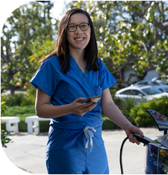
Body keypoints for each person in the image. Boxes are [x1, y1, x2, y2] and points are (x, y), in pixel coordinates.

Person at [30, 8, 144, 174]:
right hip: (65, 147)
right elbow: (40, 109)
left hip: (95, 146)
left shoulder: (98, 66)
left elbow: (108, 104)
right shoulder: (51, 65)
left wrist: (128, 126)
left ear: (90, 30)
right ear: (64, 31)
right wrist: (70, 109)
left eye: (84, 26)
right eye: (72, 27)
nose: (79, 31)